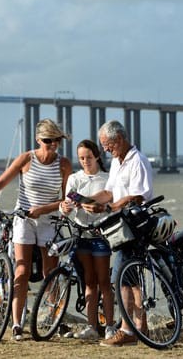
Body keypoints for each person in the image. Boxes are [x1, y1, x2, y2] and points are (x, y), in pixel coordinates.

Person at [0, 118, 72, 341]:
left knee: (49, 274)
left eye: (56, 141)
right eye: (47, 140)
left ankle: (53, 317)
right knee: (21, 271)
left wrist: (43, 209)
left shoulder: (64, 164)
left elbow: (66, 199)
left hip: (49, 220)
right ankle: (16, 324)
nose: (52, 145)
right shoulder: (26, 159)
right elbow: (0, 183)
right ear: (37, 139)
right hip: (23, 219)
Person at [80, 120, 153, 347]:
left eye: (107, 145)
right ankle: (142, 328)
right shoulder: (116, 162)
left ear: (119, 139)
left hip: (135, 224)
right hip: (121, 227)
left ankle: (127, 330)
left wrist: (110, 207)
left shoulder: (137, 161)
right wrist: (90, 202)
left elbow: (137, 196)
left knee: (122, 276)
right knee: (131, 279)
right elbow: (109, 192)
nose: (105, 150)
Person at [59, 139, 116, 340]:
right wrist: (64, 208)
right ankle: (91, 326)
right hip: (80, 235)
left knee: (104, 281)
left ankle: (109, 326)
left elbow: (115, 205)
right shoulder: (74, 179)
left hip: (100, 235)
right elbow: (66, 205)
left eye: (89, 157)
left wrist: (102, 208)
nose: (85, 161)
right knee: (89, 282)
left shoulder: (107, 179)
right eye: (81, 158)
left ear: (97, 156)